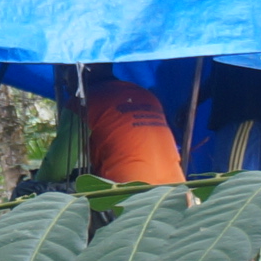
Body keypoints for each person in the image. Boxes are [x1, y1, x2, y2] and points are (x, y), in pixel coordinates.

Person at [58, 62, 186, 190]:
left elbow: (56, 168)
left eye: (65, 69)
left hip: (129, 194)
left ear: (84, 69)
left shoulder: (83, 102)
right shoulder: (146, 95)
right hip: (176, 192)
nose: (64, 80)